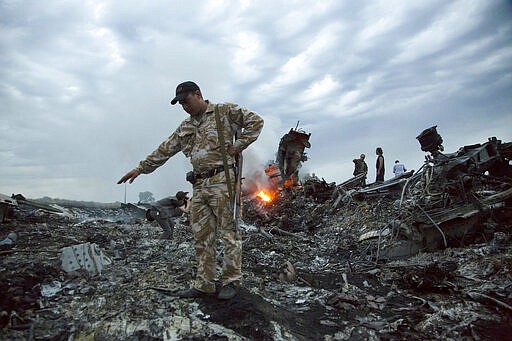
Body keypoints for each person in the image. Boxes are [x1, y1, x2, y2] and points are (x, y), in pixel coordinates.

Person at [117, 81, 264, 300]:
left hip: (223, 182)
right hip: (199, 185)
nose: (184, 106)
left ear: (198, 95)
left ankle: (231, 281)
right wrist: (140, 168)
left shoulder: (223, 112)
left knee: (229, 233)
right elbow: (165, 149)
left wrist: (239, 145)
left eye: (186, 101)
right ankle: (204, 284)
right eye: (181, 104)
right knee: (202, 235)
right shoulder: (186, 127)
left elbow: (256, 122)